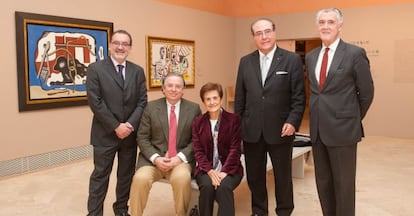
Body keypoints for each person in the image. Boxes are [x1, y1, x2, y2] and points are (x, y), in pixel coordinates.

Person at [305, 8, 374, 216]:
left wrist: (350, 119)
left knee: (343, 186)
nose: (326, 26)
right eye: (322, 22)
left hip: (343, 132)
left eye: (331, 22)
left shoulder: (354, 54)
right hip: (317, 131)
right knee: (323, 183)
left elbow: (367, 93)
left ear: (340, 26)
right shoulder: (311, 56)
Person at [234, 18, 306, 216]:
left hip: (281, 130)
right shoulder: (245, 62)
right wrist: (237, 127)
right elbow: (240, 98)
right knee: (255, 177)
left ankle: (284, 211)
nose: (264, 36)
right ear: (253, 37)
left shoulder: (291, 60)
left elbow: (299, 97)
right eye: (259, 33)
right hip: (252, 131)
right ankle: (259, 211)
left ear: (274, 32)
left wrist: (292, 121)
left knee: (283, 177)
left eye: (267, 31)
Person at [86, 29, 148, 216]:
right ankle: (94, 213)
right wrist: (115, 126)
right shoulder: (95, 69)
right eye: (117, 43)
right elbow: (95, 102)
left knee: (125, 177)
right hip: (105, 134)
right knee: (100, 177)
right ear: (110, 45)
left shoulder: (137, 71)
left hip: (129, 135)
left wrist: (128, 126)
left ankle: (121, 209)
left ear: (130, 47)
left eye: (125, 44)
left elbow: (142, 101)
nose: (120, 47)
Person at [129, 72, 202, 216]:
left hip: (179, 161)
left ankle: (181, 214)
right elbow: (142, 137)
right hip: (153, 161)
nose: (173, 89)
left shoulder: (194, 109)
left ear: (183, 90)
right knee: (140, 179)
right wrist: (156, 158)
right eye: (170, 85)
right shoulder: (150, 107)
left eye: (177, 86)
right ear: (163, 89)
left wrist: (179, 158)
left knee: (182, 179)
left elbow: (197, 140)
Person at [192, 82, 244, 216]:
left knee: (224, 188)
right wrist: (210, 171)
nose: (212, 102)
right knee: (207, 187)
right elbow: (198, 151)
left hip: (231, 168)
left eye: (215, 98)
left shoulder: (234, 120)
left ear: (221, 99)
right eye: (208, 99)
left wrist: (224, 172)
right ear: (203, 102)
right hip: (205, 169)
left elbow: (235, 149)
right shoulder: (198, 122)